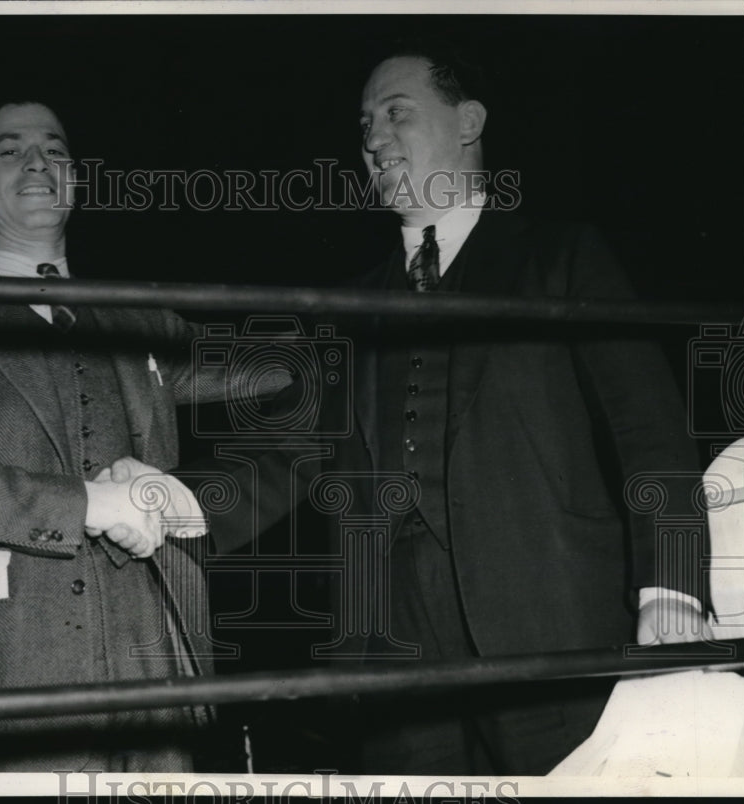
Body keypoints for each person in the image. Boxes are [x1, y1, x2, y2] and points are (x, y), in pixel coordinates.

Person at [166, 43, 713, 775]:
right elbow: (287, 460)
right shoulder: (347, 308)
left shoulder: (562, 259)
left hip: (552, 634)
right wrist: (158, 503)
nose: (372, 139)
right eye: (363, 124)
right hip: (391, 662)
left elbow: (650, 433)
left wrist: (670, 584)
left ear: (469, 122)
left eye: (396, 113)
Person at [0, 99, 284, 772]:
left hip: (161, 672)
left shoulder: (133, 316)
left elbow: (269, 372)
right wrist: (90, 504)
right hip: (12, 683)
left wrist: (371, 317)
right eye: (10, 149)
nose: (38, 163)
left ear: (78, 178)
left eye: (55, 151)